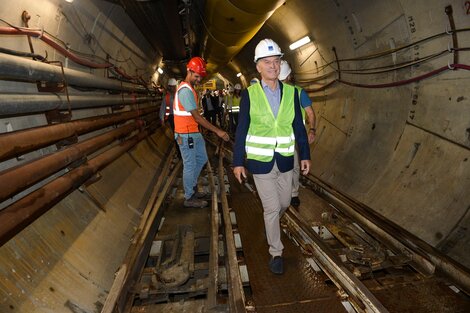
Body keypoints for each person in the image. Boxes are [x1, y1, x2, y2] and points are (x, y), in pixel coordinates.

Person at [232, 39, 311, 275]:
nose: (273, 66)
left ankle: (272, 224)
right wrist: (237, 162)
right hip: (260, 162)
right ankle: (276, 252)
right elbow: (242, 129)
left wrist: (305, 155)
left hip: (286, 160)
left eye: (276, 61)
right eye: (267, 62)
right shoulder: (250, 95)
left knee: (284, 203)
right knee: (272, 207)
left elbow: (298, 126)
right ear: (258, 66)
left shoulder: (292, 94)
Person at [174, 57, 230, 208]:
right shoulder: (185, 91)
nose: (199, 80)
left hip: (193, 133)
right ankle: (189, 196)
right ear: (189, 71)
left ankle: (192, 187)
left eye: (200, 77)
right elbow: (197, 118)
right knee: (190, 165)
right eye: (196, 76)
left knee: (202, 158)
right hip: (185, 135)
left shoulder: (190, 89)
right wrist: (218, 131)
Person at [279, 60, 316, 207]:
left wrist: (312, 130)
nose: (281, 82)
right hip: (278, 135)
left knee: (293, 164)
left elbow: (310, 113)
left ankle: (293, 193)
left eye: (283, 79)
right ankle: (282, 190)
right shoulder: (274, 92)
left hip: (294, 135)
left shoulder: (299, 93)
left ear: (289, 77)